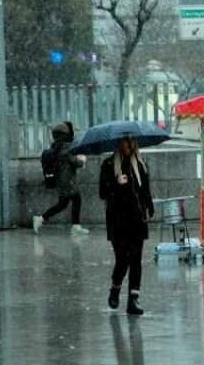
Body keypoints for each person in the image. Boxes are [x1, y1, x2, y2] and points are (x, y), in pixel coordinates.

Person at [99, 137, 154, 316]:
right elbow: (102, 192)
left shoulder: (140, 164)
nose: (130, 145)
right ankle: (115, 289)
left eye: (132, 142)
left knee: (136, 259)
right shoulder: (108, 164)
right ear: (119, 143)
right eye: (126, 142)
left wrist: (149, 206)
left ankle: (133, 299)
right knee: (123, 259)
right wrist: (116, 183)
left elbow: (145, 189)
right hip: (117, 221)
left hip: (137, 219)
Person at [33, 122, 89, 235]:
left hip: (62, 181)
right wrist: (82, 159)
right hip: (67, 181)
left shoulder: (57, 147)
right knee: (75, 199)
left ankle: (41, 219)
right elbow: (76, 162)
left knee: (63, 204)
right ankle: (75, 226)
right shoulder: (65, 148)